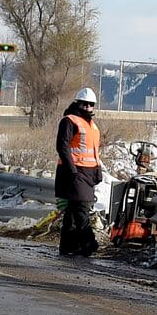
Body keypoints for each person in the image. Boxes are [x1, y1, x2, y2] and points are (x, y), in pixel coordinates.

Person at [55, 87, 103, 256]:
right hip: (74, 172)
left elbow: (94, 151)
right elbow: (62, 146)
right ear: (78, 103)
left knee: (73, 210)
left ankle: (68, 246)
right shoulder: (69, 121)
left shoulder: (92, 125)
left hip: (88, 173)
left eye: (91, 104)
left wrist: (98, 169)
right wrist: (72, 170)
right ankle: (89, 243)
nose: (88, 107)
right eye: (84, 104)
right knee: (82, 208)